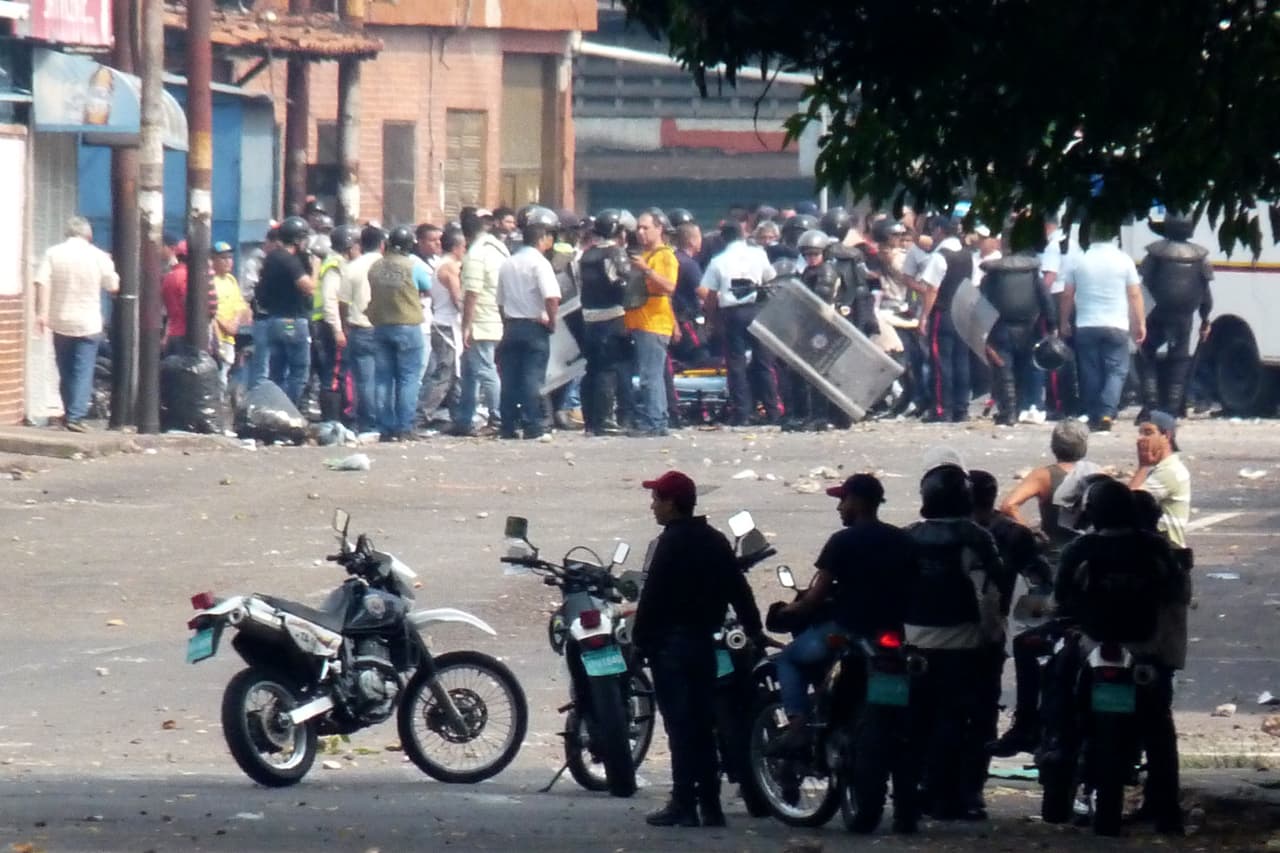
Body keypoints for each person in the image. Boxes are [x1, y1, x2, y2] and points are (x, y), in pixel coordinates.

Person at [768, 473, 921, 833]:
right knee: (903, 725)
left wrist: (790, 612)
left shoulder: (842, 542)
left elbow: (817, 595)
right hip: (892, 640)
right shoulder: (903, 541)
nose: (839, 507)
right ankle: (906, 810)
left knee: (789, 658)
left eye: (843, 500)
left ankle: (798, 725)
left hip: (848, 634)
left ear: (858, 501)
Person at [1051, 479, 1186, 835]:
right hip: (1144, 649)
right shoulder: (1155, 547)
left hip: (1093, 646)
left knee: (1059, 697)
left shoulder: (1081, 548)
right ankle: (1168, 811)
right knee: (1159, 728)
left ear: (1093, 513)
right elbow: (1174, 592)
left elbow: (1061, 596)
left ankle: (1057, 759)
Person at [632, 470, 764, 828]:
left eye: (657, 498)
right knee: (703, 725)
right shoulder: (715, 540)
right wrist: (755, 631)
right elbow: (740, 590)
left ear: (672, 504)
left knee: (680, 726)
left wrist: (639, 643)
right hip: (705, 646)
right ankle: (710, 805)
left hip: (672, 647)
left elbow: (653, 597)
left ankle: (684, 802)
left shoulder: (670, 543)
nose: (652, 505)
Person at [903, 460, 1004, 821]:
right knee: (965, 719)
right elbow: (989, 593)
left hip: (913, 642)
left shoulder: (909, 535)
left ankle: (917, 789)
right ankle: (961, 793)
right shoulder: (977, 537)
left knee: (917, 719)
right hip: (964, 644)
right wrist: (992, 637)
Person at [967, 469, 1052, 803]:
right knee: (983, 708)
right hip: (989, 632)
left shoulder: (937, 530)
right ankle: (972, 791)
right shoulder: (1012, 532)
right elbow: (1040, 578)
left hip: (939, 634)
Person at [32, 216, 120, 432]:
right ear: (88, 235)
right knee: (83, 369)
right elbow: (113, 286)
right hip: (88, 322)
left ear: (67, 233)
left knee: (65, 368)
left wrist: (41, 313)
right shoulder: (98, 256)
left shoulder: (53, 253)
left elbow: (41, 281)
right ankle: (75, 416)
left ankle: (68, 410)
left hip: (60, 319)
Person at [1061, 220, 1146, 431]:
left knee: (1090, 370)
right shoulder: (1124, 260)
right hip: (1116, 324)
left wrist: (1063, 321)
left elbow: (1067, 294)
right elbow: (1134, 294)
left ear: (1090, 236)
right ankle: (1107, 412)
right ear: (1114, 237)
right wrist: (1140, 323)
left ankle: (1093, 413)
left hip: (1086, 324)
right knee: (1116, 371)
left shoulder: (1080, 260)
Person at [699, 222, 779, 425]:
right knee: (764, 362)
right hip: (757, 310)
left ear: (723, 239)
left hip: (732, 313)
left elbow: (709, 293)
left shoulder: (718, 260)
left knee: (736, 364)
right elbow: (770, 278)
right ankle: (773, 411)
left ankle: (742, 413)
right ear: (742, 236)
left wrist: (710, 319)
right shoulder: (758, 254)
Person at [1136, 213, 1214, 419]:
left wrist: (1139, 316)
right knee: (1179, 359)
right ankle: (1173, 406)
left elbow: (1143, 287)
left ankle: (1151, 404)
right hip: (1183, 317)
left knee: (1146, 354)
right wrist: (1205, 319)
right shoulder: (1200, 257)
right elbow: (1205, 294)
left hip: (1156, 315)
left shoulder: (1155, 254)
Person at [495, 221, 561, 440]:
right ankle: (534, 424)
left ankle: (508, 425)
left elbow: (501, 302)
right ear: (541, 240)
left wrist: (507, 321)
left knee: (510, 379)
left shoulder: (508, 263)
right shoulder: (540, 263)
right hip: (535, 325)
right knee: (533, 378)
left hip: (512, 325)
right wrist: (552, 320)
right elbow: (551, 296)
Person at [366, 225, 431, 442]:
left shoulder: (375, 267)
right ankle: (405, 427)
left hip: (381, 326)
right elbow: (427, 286)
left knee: (383, 379)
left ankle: (386, 427)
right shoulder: (413, 267)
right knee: (408, 378)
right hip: (408, 326)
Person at [980, 246, 1058, 426]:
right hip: (1029, 327)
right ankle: (1021, 408)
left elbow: (981, 304)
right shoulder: (1033, 276)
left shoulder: (992, 276)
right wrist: (1052, 325)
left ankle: (1008, 412)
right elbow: (1046, 299)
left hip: (1000, 327)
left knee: (1004, 370)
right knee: (1024, 368)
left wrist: (983, 332)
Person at [249, 216, 315, 405]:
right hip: (292, 322)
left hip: (273, 320)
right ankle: (287, 408)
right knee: (299, 371)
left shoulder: (272, 258)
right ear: (297, 239)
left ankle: (271, 408)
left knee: (276, 371)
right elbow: (308, 287)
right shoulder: (289, 260)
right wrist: (315, 267)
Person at [453, 209, 508, 436]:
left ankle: (497, 418)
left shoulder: (475, 255)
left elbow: (472, 294)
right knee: (469, 372)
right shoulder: (497, 248)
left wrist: (466, 327)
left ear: (466, 235)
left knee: (485, 370)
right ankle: (464, 419)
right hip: (496, 315)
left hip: (481, 321)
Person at [625, 211, 679, 437]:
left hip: (654, 322)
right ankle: (657, 417)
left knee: (650, 376)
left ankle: (654, 421)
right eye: (639, 227)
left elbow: (669, 287)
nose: (640, 232)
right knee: (650, 374)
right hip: (640, 321)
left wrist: (646, 270)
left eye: (646, 227)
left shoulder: (665, 256)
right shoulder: (643, 255)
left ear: (660, 229)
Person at [578, 210, 632, 436]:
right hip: (612, 318)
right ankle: (605, 419)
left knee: (591, 370)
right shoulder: (615, 253)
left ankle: (590, 420)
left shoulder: (585, 255)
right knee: (608, 370)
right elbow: (623, 282)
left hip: (589, 319)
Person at [918, 215, 975, 423]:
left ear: (940, 231)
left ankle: (942, 409)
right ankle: (962, 408)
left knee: (941, 362)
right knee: (962, 361)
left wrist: (924, 316)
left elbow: (932, 289)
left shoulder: (940, 255)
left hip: (944, 313)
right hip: (964, 312)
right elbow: (973, 285)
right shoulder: (969, 256)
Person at [418, 228, 466, 429]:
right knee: (444, 375)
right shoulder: (449, 268)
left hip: (442, 322)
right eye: (464, 247)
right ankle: (420, 415)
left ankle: (460, 418)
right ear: (456, 247)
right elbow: (458, 299)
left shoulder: (438, 265)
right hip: (447, 325)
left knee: (454, 374)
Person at [1129, 410, 1191, 547]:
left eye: (1148, 433)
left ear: (1166, 436)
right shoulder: (1163, 468)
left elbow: (1127, 506)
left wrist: (1143, 467)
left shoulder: (1169, 472)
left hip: (1166, 551)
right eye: (1140, 433)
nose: (1141, 438)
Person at [211, 241, 251, 387]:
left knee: (225, 375)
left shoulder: (231, 280)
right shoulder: (211, 281)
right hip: (217, 339)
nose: (228, 262)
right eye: (223, 258)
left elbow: (240, 305)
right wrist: (226, 325)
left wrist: (234, 321)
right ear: (213, 260)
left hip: (229, 338)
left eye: (229, 258)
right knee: (219, 377)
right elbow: (211, 311)